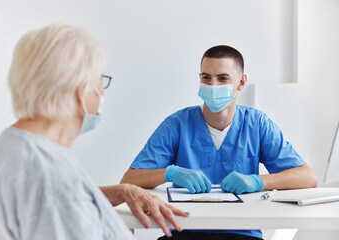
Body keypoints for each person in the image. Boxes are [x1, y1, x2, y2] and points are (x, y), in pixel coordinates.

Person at [0, 23, 189, 240]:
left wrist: (121, 191)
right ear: (81, 91)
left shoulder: (17, 145)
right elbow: (60, 199)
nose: (101, 93)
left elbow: (63, 203)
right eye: (101, 80)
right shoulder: (49, 178)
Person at [121, 45, 318, 240]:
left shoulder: (256, 124)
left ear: (241, 82)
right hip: (185, 231)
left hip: (240, 232)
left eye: (223, 78)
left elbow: (307, 177)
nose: (213, 85)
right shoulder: (178, 124)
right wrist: (169, 173)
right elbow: (129, 180)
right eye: (206, 77)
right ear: (200, 80)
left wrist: (258, 181)